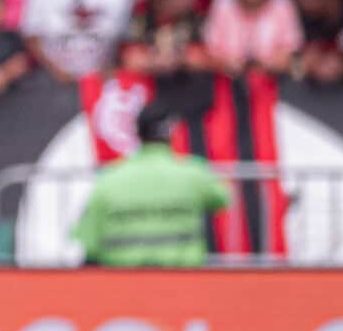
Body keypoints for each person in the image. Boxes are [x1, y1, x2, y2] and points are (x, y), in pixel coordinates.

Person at [72, 106, 232, 267]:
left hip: (123, 281)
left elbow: (89, 243)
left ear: (137, 133)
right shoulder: (194, 174)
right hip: (183, 279)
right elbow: (223, 199)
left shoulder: (109, 178)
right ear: (171, 134)